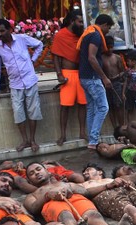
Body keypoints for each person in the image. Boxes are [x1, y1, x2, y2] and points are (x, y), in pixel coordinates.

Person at [0, 19, 44, 153]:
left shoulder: (21, 39)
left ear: (10, 30)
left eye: (2, 31)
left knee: (33, 110)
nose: (0, 34)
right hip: (15, 84)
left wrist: (33, 60)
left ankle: (32, 140)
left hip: (30, 81)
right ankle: (25, 140)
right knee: (18, 113)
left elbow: (39, 44)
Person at [78, 14, 115, 149]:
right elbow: (92, 58)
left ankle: (92, 141)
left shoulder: (88, 33)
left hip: (84, 76)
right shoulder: (95, 35)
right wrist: (104, 77)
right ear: (104, 24)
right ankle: (93, 140)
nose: (108, 31)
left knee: (92, 108)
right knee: (103, 107)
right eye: (108, 28)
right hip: (92, 77)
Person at [51, 10, 87, 146]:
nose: (82, 24)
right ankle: (63, 135)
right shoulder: (61, 35)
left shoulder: (81, 35)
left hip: (81, 73)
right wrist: (59, 74)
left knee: (83, 104)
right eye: (80, 21)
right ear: (72, 21)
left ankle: (82, 132)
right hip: (67, 74)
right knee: (65, 106)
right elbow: (55, 56)